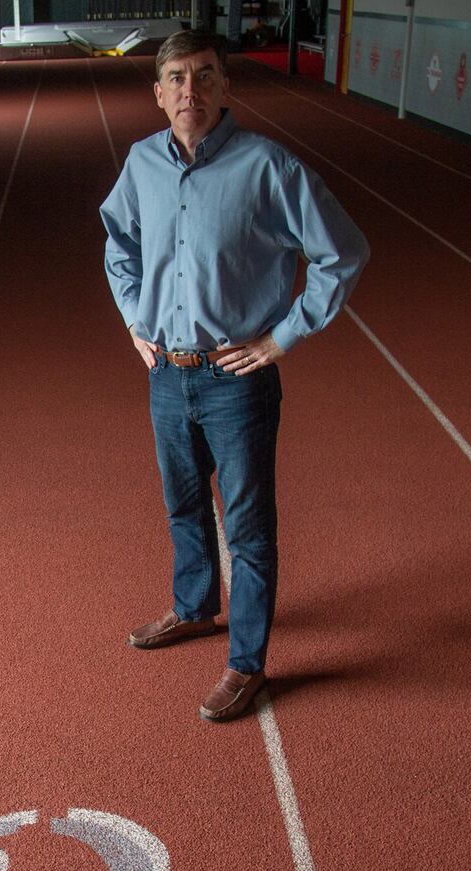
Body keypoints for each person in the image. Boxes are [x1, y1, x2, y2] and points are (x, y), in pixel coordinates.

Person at [99, 30, 369, 722]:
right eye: (177, 79)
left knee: (246, 528)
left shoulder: (268, 168)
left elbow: (343, 252)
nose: (191, 91)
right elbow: (118, 243)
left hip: (235, 380)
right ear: (158, 94)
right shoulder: (140, 166)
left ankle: (246, 664)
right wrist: (134, 317)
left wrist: (280, 338)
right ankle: (194, 608)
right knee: (183, 505)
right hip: (167, 373)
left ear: (226, 88)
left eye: (205, 77)